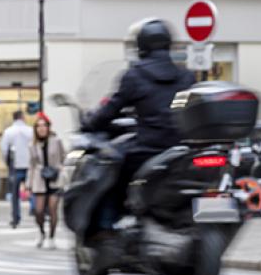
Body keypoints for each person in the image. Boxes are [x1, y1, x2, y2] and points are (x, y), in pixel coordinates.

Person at [82, 18, 195, 229]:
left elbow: (110, 109)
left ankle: (111, 223)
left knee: (111, 171)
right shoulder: (186, 77)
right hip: (183, 150)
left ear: (142, 46)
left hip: (149, 149)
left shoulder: (135, 76)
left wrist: (90, 122)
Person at [26, 113, 65, 249]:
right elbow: (31, 165)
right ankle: (42, 233)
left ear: (48, 127)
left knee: (53, 209)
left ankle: (52, 237)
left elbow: (63, 157)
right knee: (39, 211)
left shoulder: (57, 141)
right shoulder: (32, 144)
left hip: (55, 179)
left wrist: (61, 170)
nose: (41, 129)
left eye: (44, 126)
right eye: (38, 126)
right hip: (39, 179)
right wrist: (28, 184)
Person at [1, 110, 33, 228]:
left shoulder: (9, 132)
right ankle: (35, 209)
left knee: (15, 194)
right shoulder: (30, 130)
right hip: (29, 165)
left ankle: (16, 217)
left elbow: (4, 150)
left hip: (15, 165)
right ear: (22, 117)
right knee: (33, 189)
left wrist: (7, 162)